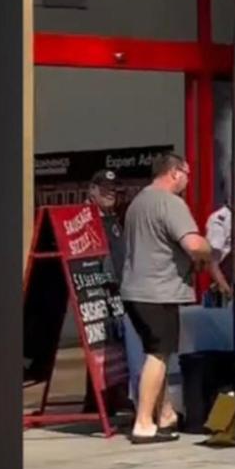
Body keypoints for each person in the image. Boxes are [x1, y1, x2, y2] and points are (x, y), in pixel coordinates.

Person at [119, 153, 214, 444]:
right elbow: (194, 244)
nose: (188, 180)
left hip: (134, 291)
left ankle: (165, 415)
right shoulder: (171, 203)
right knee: (158, 356)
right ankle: (144, 422)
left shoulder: (139, 202)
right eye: (186, 173)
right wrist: (208, 253)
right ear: (174, 173)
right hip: (158, 291)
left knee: (153, 352)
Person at [81, 170, 146, 414]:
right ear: (92, 190)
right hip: (96, 291)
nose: (110, 194)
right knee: (98, 343)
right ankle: (97, 400)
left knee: (116, 347)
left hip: (119, 290)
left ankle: (115, 395)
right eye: (105, 189)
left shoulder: (113, 218)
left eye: (113, 190)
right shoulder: (85, 219)